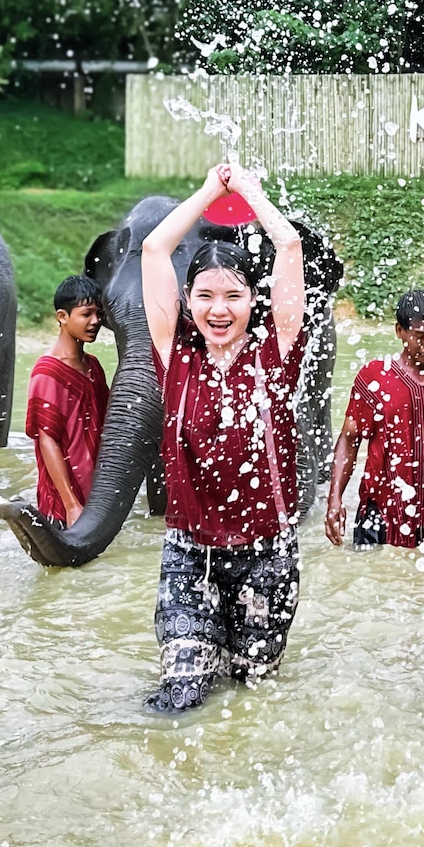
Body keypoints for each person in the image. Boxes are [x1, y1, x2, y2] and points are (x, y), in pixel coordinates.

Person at [140, 162, 309, 715]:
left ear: (252, 302)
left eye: (233, 296)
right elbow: (154, 251)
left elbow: (287, 245)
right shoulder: (175, 355)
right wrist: (209, 191)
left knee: (251, 696)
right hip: (191, 553)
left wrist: (251, 194)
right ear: (187, 301)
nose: (219, 310)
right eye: (206, 296)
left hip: (268, 556)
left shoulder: (276, 353)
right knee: (183, 692)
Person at [325, 290, 424, 551]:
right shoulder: (375, 376)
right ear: (399, 331)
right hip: (381, 514)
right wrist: (334, 498)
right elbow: (349, 439)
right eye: (420, 337)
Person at [25, 274, 110, 527]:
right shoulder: (47, 372)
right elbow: (47, 440)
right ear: (62, 317)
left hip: (95, 498)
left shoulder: (93, 365)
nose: (95, 322)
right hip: (63, 506)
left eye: (99, 314)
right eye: (86, 314)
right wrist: (71, 505)